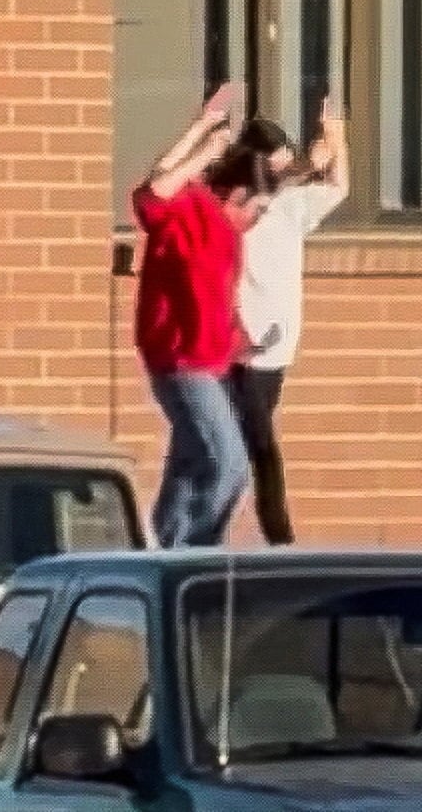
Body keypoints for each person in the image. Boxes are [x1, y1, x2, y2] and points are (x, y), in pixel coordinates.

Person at [132, 85, 274, 548]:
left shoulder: (228, 236)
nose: (257, 220)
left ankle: (161, 550)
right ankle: (197, 550)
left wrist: (243, 343)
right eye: (256, 208)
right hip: (180, 360)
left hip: (208, 362)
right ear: (235, 195)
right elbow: (153, 191)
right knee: (228, 464)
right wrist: (202, 140)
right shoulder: (191, 210)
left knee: (191, 464)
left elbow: (217, 302)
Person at [228, 97, 349, 546]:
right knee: (260, 444)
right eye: (275, 166)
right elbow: (260, 196)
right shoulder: (238, 202)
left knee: (245, 444)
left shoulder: (291, 206)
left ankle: (213, 525)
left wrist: (338, 139)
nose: (284, 172)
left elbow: (338, 188)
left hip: (277, 346)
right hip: (241, 344)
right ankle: (280, 536)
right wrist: (304, 165)